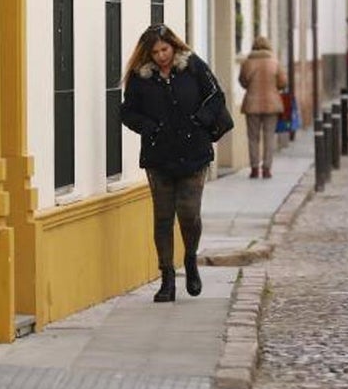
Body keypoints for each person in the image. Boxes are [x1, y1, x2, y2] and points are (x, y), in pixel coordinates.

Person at [120, 24, 225, 303]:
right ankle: (167, 278)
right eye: (155, 52)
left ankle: (190, 258)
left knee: (189, 213)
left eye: (164, 49)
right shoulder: (140, 77)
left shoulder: (193, 66)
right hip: (159, 156)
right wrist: (149, 128)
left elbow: (216, 97)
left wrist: (200, 121)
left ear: (174, 46)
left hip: (194, 152)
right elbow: (127, 112)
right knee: (163, 217)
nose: (161, 56)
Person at [238, 36, 287, 179]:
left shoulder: (247, 62)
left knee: (253, 137)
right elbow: (283, 83)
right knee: (269, 137)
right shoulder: (274, 62)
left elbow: (243, 81)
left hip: (252, 104)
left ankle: (254, 168)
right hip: (272, 104)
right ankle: (266, 169)